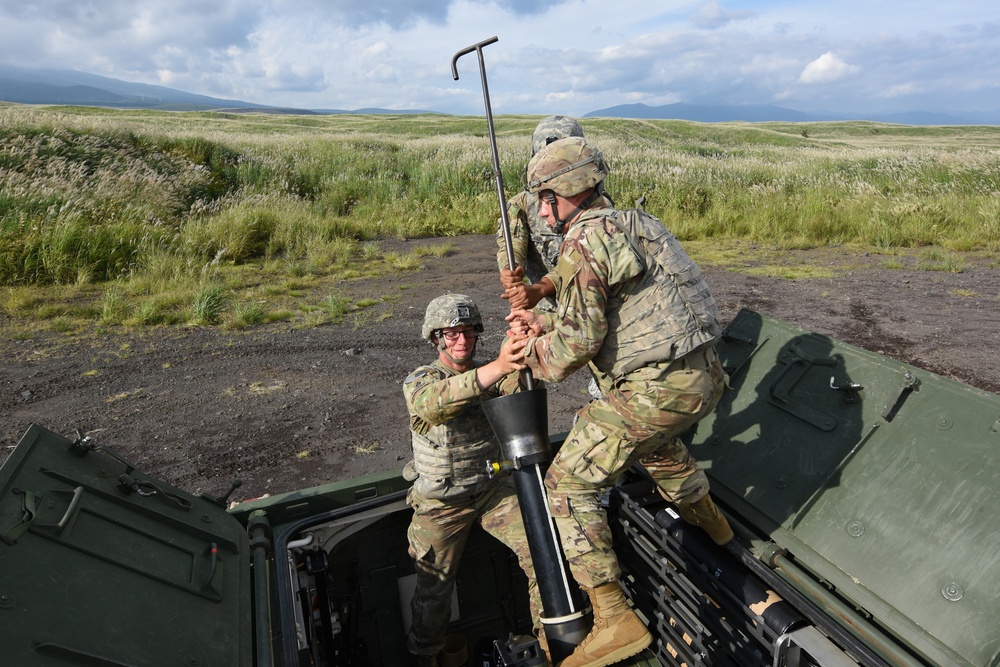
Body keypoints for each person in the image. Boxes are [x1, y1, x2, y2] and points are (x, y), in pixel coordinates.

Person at [505, 137, 733, 667]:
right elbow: (611, 305)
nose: (542, 209)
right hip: (702, 377)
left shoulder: (582, 243)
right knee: (653, 444)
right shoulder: (637, 223)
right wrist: (542, 309)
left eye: (546, 198)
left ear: (571, 190)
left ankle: (615, 617)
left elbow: (573, 350)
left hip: (656, 388)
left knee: (568, 484)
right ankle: (715, 527)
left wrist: (528, 350)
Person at [402, 293, 542, 666]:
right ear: (436, 338)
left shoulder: (493, 372)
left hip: (492, 492)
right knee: (433, 593)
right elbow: (432, 404)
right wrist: (498, 366)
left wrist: (528, 354)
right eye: (451, 334)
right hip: (442, 505)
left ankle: (550, 640)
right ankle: (426, 657)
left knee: (543, 553)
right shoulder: (422, 379)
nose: (461, 341)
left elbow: (527, 393)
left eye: (468, 332)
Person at [496, 115, 585, 313]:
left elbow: (583, 260)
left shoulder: (593, 202)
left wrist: (540, 289)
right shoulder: (522, 204)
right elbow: (512, 242)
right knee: (514, 343)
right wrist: (510, 270)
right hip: (545, 306)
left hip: (587, 304)